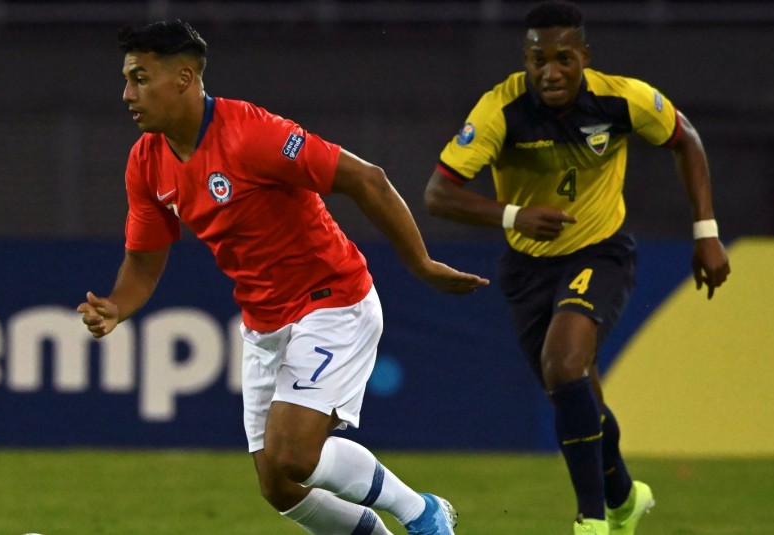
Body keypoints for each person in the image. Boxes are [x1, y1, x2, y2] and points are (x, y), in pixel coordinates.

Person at [77, 19, 489, 535]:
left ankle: (422, 512)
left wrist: (421, 264)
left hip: (332, 301)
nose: (127, 93)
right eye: (127, 78)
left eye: (140, 78)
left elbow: (367, 180)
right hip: (264, 323)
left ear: (184, 78)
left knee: (295, 454)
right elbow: (144, 259)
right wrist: (118, 305)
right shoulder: (147, 161)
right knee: (279, 484)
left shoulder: (253, 133)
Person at [424, 2, 730, 534]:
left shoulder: (622, 98)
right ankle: (624, 498)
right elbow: (437, 194)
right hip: (527, 267)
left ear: (584, 56)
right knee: (576, 393)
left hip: (599, 252)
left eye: (564, 58)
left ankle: (591, 521)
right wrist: (515, 214)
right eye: (538, 59)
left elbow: (686, 140)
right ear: (525, 59)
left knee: (563, 365)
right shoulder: (501, 111)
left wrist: (705, 232)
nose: (551, 71)